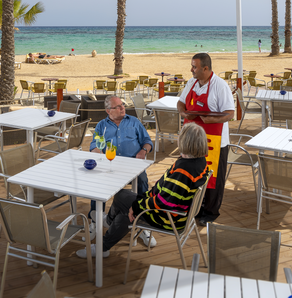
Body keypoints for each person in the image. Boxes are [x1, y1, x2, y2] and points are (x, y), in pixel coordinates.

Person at [76, 123, 209, 259]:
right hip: (178, 214)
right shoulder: (199, 162)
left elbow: (164, 202)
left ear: (186, 142)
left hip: (168, 217)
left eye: (181, 135)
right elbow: (165, 192)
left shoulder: (183, 170)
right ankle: (105, 238)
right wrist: (143, 199)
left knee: (124, 205)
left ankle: (104, 238)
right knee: (124, 202)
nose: (178, 137)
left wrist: (137, 206)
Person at [177, 52, 235, 226]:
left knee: (212, 177)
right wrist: (183, 112)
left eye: (194, 67)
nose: (191, 70)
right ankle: (193, 208)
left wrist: (211, 120)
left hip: (214, 140)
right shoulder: (191, 83)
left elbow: (230, 114)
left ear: (206, 68)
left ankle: (210, 212)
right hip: (191, 139)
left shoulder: (220, 86)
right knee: (191, 174)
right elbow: (181, 102)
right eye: (192, 66)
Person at [90, 95, 155, 246]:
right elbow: (94, 145)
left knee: (143, 181)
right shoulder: (101, 126)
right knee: (94, 183)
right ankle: (95, 220)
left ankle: (142, 223)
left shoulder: (134, 122)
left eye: (122, 105)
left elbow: (147, 141)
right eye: (118, 106)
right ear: (108, 111)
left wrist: (144, 151)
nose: (122, 108)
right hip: (110, 164)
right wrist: (97, 152)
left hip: (133, 165)